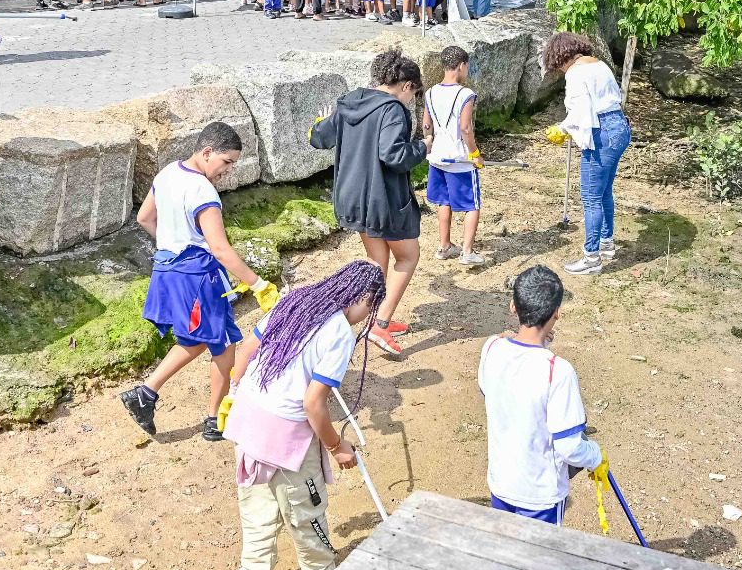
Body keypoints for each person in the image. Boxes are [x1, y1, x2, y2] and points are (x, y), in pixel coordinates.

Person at [223, 259, 382, 570]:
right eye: (371, 306)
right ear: (365, 298)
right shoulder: (340, 330)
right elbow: (313, 404)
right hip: (286, 433)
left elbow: (246, 350)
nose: (366, 315)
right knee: (306, 508)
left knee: (257, 505)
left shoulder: (296, 298)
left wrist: (236, 392)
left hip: (247, 417)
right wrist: (337, 446)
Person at [120, 122, 280, 441]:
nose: (229, 170)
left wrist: (171, 245)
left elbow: (144, 218)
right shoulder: (203, 191)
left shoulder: (167, 173)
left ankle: (146, 394)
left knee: (194, 340)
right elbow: (220, 249)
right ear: (207, 153)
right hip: (197, 278)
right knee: (223, 347)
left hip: (166, 271)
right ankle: (215, 420)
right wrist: (258, 284)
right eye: (227, 162)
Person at [309, 49, 427, 357]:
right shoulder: (393, 109)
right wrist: (423, 146)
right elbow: (394, 155)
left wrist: (320, 122)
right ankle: (380, 323)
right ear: (405, 86)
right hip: (382, 200)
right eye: (412, 93)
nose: (410, 100)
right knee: (408, 256)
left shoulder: (350, 101)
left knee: (377, 263)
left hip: (352, 198)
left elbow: (319, 137)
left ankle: (352, 321)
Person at [479, 266, 606, 524]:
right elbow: (569, 447)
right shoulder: (558, 371)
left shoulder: (491, 347)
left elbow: (495, 388)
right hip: (540, 495)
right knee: (539, 561)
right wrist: (595, 456)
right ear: (557, 313)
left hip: (501, 483)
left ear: (513, 306)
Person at [544, 32, 630, 275]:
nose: (560, 70)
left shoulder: (575, 73)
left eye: (558, 65)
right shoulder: (600, 64)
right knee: (604, 192)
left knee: (591, 197)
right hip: (619, 127)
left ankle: (591, 257)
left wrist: (562, 129)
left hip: (601, 132)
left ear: (561, 57)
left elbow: (582, 113)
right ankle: (607, 243)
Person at [425, 45, 486, 264]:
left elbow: (426, 125)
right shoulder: (465, 94)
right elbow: (466, 128)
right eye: (467, 66)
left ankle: (444, 246)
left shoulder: (430, 92)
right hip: (460, 159)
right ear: (461, 65)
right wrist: (475, 154)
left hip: (437, 157)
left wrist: (432, 145)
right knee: (472, 205)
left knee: (444, 200)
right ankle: (467, 252)